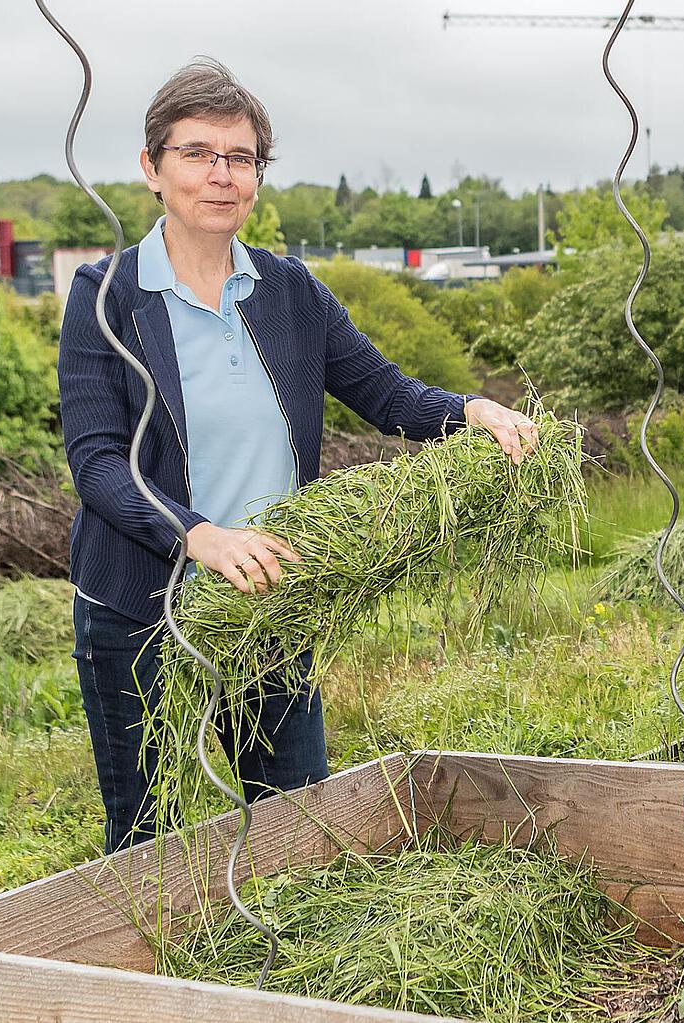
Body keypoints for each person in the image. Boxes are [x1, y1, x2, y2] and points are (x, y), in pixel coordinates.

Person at [59, 57, 538, 853]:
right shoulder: (107, 297)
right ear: (152, 167)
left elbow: (387, 394)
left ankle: (276, 969)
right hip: (141, 608)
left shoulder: (290, 292)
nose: (221, 175)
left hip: (272, 597)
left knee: (298, 821)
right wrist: (198, 534)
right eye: (197, 153)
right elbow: (98, 462)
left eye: (240, 158)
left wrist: (471, 410)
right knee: (147, 836)